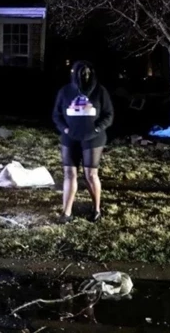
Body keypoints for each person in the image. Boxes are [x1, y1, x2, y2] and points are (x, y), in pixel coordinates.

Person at [52, 60, 114, 223]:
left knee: (90, 175)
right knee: (69, 174)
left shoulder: (100, 91)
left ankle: (96, 210)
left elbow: (108, 115)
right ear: (75, 74)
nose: (85, 76)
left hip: (93, 139)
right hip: (70, 137)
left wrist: (96, 129)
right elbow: (56, 114)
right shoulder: (65, 91)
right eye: (81, 73)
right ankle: (67, 213)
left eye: (88, 73)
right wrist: (65, 129)